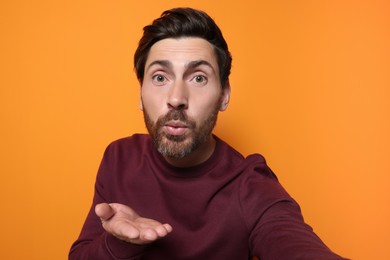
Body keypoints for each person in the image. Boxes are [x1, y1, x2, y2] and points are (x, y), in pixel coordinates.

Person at [69, 7, 346, 260]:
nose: (176, 98)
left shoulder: (249, 184)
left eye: (198, 77)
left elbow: (292, 241)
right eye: (160, 77)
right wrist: (119, 244)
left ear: (224, 96)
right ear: (140, 94)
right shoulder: (119, 158)